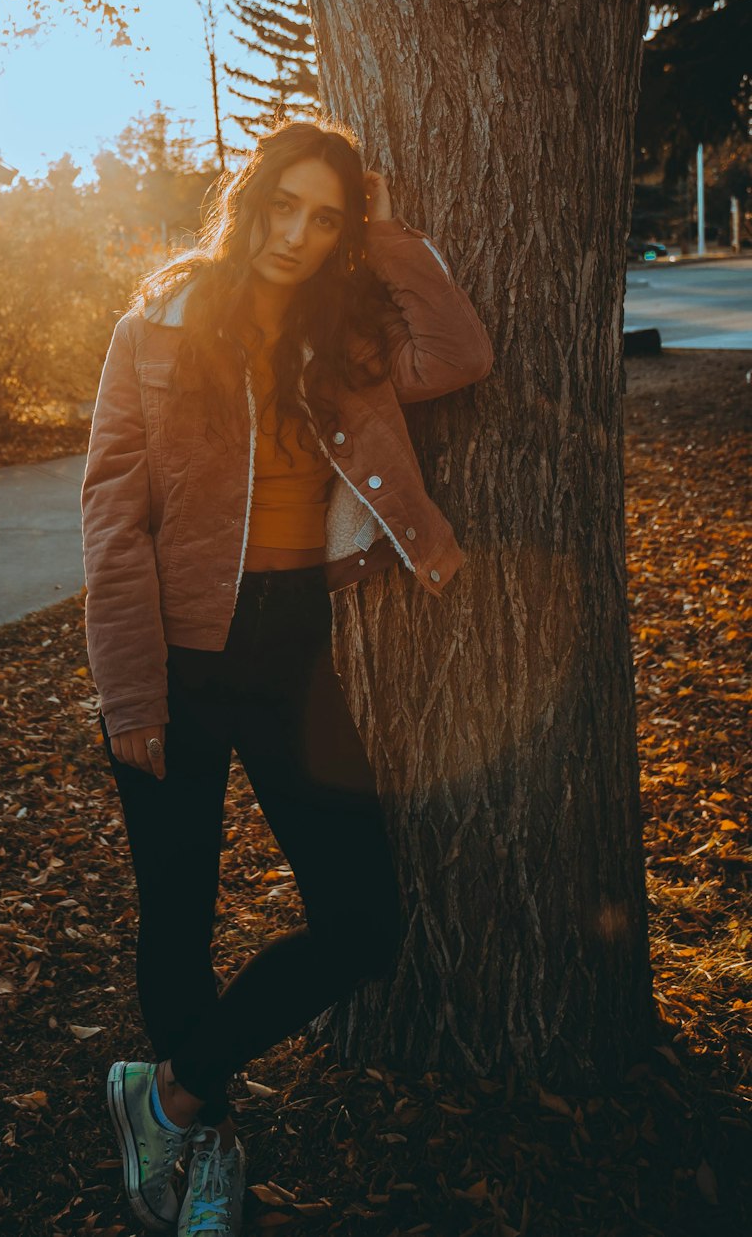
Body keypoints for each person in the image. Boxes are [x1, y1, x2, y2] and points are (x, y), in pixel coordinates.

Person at [80, 118, 493, 1236]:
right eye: (285, 207)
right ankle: (201, 1143)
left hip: (292, 649)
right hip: (173, 655)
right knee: (176, 914)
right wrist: (129, 690)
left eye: (326, 218)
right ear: (248, 198)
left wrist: (385, 225)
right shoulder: (152, 329)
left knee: (363, 918)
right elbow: (112, 520)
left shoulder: (345, 337)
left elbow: (459, 354)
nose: (298, 236)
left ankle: (159, 1095)